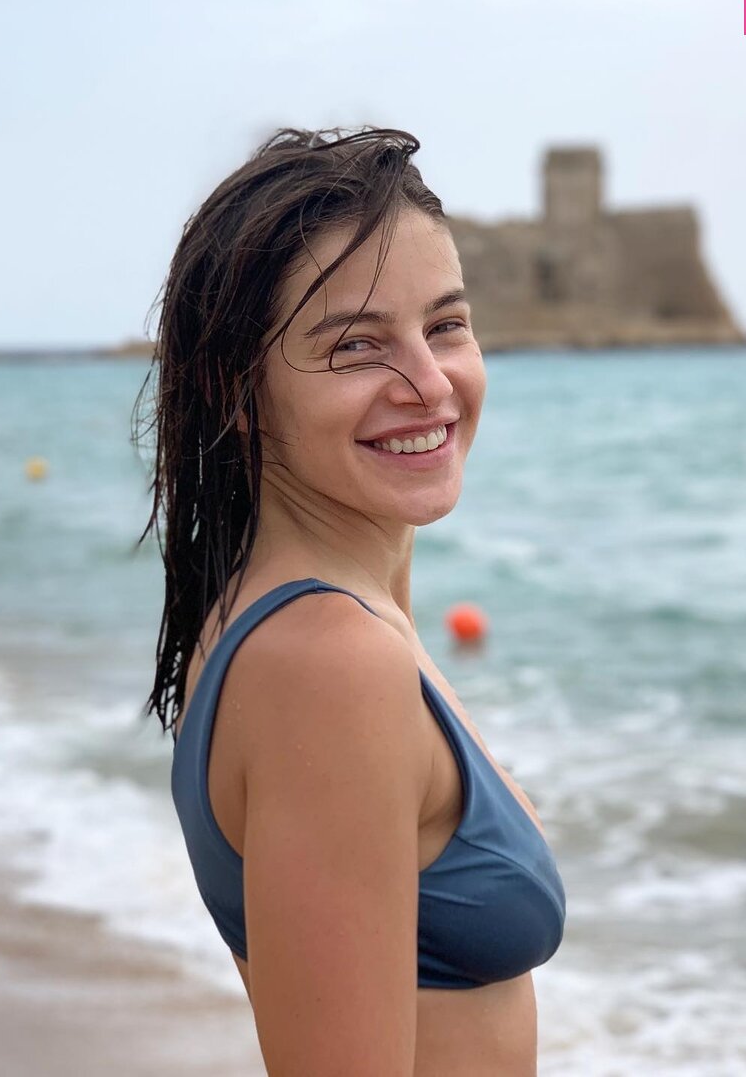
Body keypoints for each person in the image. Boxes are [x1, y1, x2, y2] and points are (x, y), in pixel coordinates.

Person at [133, 126, 565, 1075]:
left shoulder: (305, 612)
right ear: (236, 390)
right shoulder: (329, 660)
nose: (429, 383)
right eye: (356, 345)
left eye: (445, 325)